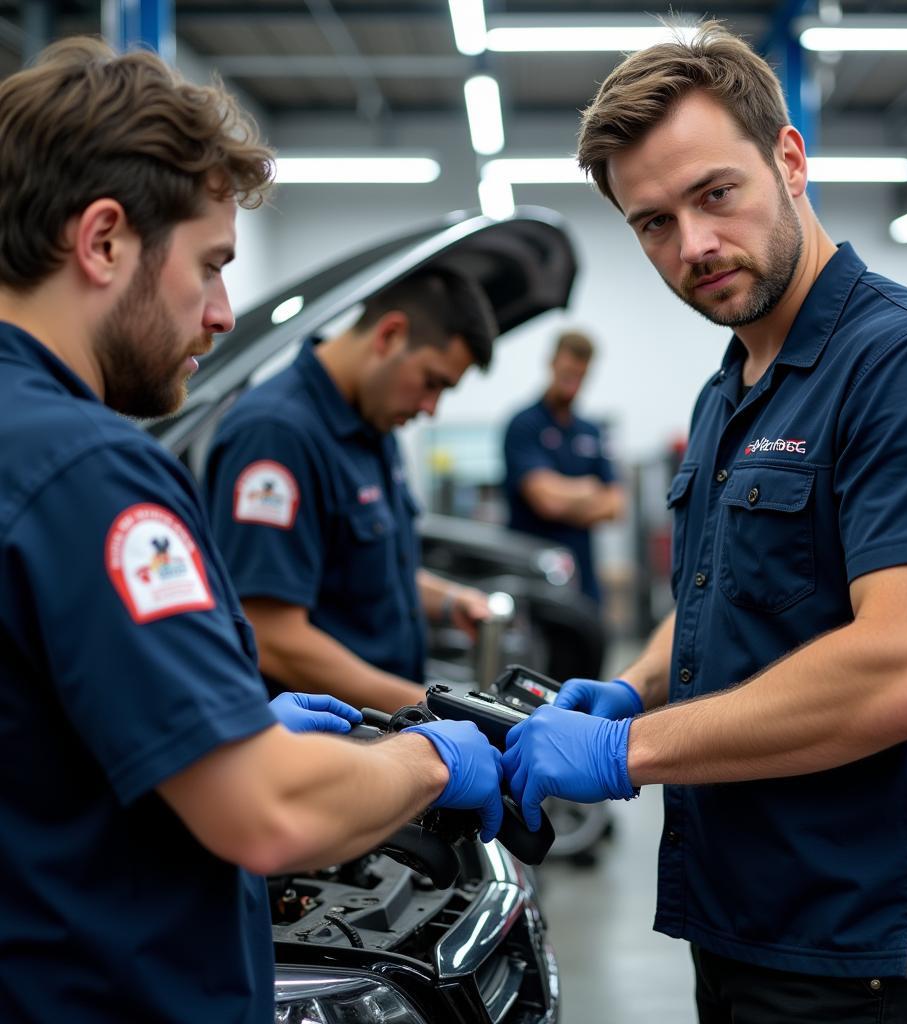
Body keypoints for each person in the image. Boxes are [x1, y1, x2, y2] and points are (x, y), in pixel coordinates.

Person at [501, 20, 907, 1023]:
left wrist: (625, 751)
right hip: (742, 917)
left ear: (788, 159)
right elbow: (724, 596)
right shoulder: (729, 389)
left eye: (713, 194)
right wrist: (631, 682)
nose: (691, 245)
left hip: (863, 952)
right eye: (651, 222)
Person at [0, 39, 503, 1023]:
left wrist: (235, 729)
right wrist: (435, 755)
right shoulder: (90, 471)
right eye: (211, 265)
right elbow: (269, 814)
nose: (225, 313)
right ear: (103, 242)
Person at [203, 270, 497, 713]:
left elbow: (361, 567)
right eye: (432, 382)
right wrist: (434, 707)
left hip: (381, 731)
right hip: (318, 745)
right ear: (390, 335)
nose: (430, 409)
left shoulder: (372, 424)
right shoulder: (276, 434)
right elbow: (271, 634)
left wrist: (449, 600)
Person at [502, 330, 624, 605]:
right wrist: (590, 488)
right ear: (552, 363)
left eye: (580, 376)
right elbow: (546, 501)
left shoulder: (591, 431)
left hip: (583, 582)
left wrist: (565, 496)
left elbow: (616, 505)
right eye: (568, 372)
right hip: (534, 581)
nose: (573, 383)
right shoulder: (524, 425)